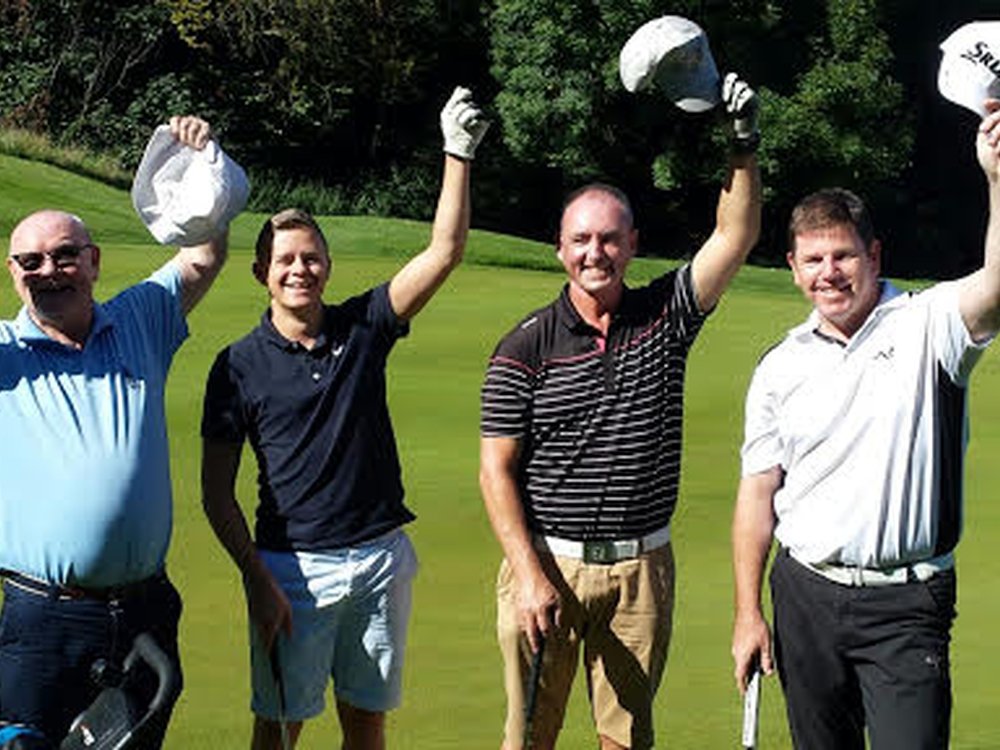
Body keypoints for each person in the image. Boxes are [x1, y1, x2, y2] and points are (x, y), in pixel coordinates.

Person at [199, 86, 488, 750]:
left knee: (366, 724)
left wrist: (458, 152)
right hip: (291, 569)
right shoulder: (237, 365)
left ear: (326, 264)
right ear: (261, 274)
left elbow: (443, 253)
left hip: (381, 556)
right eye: (285, 260)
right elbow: (217, 495)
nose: (299, 268)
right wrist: (256, 576)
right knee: (277, 730)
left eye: (310, 257)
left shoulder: (364, 326)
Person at [479, 73, 761, 750]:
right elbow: (496, 470)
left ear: (632, 245)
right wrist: (526, 572)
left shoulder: (665, 316)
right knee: (529, 738)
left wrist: (742, 143)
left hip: (641, 570)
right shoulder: (524, 346)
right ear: (559, 250)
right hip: (549, 563)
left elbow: (736, 233)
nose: (594, 253)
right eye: (580, 241)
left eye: (608, 239)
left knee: (626, 739)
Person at [730, 99, 1000, 749]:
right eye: (814, 260)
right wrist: (748, 612)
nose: (830, 273)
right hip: (804, 596)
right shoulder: (778, 366)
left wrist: (996, 177)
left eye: (843, 256)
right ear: (793, 268)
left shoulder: (930, 325)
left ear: (873, 254)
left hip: (907, 604)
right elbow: (757, 495)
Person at [0, 116, 231, 746]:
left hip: (143, 612)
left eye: (65, 255)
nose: (49, 270)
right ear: (14, 272)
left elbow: (204, 253)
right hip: (42, 622)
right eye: (31, 261)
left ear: (93, 262)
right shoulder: (4, 351)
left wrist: (201, 162)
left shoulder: (141, 317)